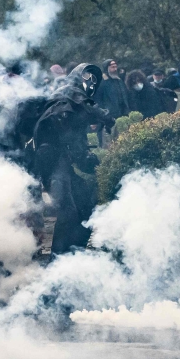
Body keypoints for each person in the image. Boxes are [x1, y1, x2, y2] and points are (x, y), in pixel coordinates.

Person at [30, 64, 115, 254]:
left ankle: (75, 247)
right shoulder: (69, 92)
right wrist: (107, 118)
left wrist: (87, 157)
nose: (90, 82)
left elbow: (76, 136)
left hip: (61, 157)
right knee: (63, 207)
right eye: (87, 76)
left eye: (94, 79)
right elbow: (87, 107)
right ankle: (51, 252)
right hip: (51, 156)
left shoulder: (75, 105)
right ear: (78, 76)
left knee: (82, 200)